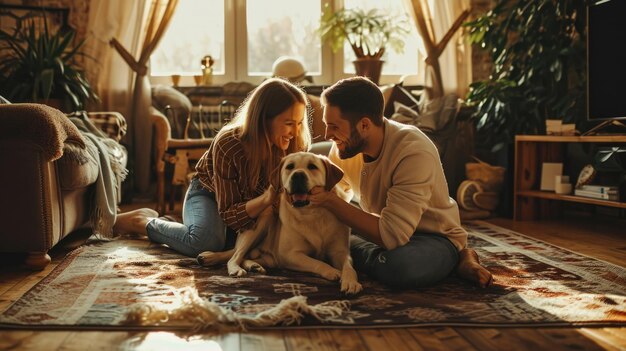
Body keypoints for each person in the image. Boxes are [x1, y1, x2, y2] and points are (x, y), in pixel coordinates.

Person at [309, 76, 493, 288]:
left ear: (364, 125)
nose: (327, 135)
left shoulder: (413, 151)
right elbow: (332, 195)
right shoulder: (345, 147)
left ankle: (459, 256)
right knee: (323, 240)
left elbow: (392, 236)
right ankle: (357, 254)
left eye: (333, 126)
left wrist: (331, 202)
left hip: (429, 238)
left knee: (399, 268)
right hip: (380, 229)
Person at [113, 78, 311, 257]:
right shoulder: (230, 142)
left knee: (254, 245)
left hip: (254, 206)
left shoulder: (296, 145)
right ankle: (141, 221)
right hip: (209, 194)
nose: (295, 131)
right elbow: (230, 214)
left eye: (300, 123)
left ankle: (186, 226)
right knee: (205, 243)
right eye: (288, 123)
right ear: (263, 119)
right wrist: (267, 199)